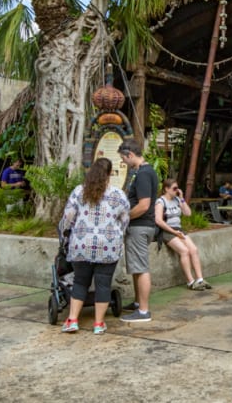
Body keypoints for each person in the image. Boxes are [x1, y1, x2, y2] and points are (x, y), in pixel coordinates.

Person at [58, 158, 130, 334]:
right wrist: (116, 233)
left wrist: (64, 234)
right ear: (109, 174)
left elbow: (68, 218)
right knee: (103, 284)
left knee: (80, 282)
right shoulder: (118, 195)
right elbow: (125, 220)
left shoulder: (79, 192)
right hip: (108, 246)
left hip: (82, 244)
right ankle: (98, 324)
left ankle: (73, 320)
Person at [118, 139, 159, 323]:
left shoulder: (143, 174)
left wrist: (124, 217)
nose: (123, 163)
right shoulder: (145, 172)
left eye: (123, 159)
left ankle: (143, 311)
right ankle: (137, 302)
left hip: (140, 225)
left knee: (141, 267)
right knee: (136, 266)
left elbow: (143, 205)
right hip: (142, 226)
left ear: (130, 155)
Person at [155, 179, 211, 291]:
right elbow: (158, 220)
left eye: (177, 188)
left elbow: (188, 213)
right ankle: (190, 281)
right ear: (166, 189)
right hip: (167, 230)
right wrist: (173, 232)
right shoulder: (161, 202)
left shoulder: (177, 200)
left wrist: (181, 198)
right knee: (184, 251)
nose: (176, 190)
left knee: (193, 249)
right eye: (174, 188)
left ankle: (200, 279)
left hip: (179, 229)